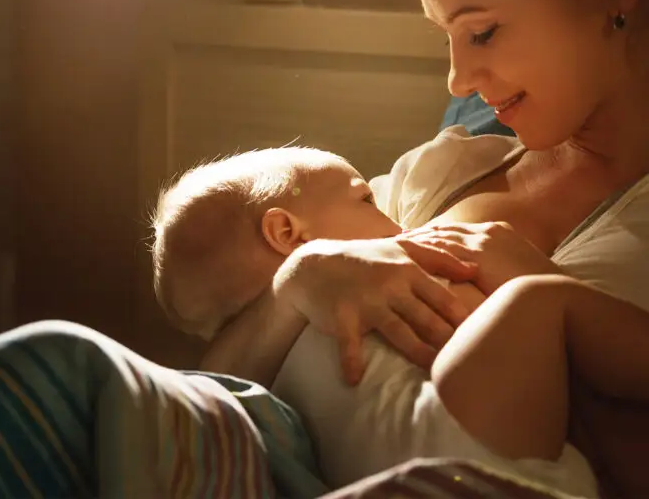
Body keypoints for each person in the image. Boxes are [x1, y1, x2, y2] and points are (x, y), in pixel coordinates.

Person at [199, 0, 649, 498]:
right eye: (446, 36)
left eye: (484, 31)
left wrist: (538, 294)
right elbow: (210, 386)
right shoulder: (444, 171)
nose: (459, 79)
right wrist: (300, 279)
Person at [152, 141, 649, 495]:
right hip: (448, 440)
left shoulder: (268, 365)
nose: (400, 224)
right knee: (535, 300)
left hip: (387, 468)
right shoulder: (364, 281)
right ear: (286, 231)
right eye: (364, 199)